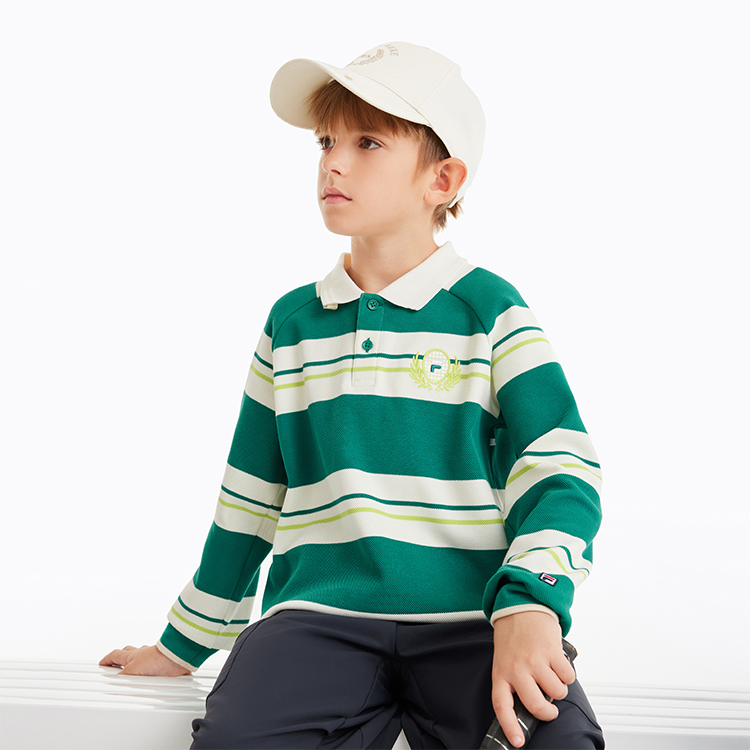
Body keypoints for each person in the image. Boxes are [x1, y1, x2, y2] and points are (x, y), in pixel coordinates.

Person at [101, 42, 605, 749]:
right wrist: (182, 645)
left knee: (557, 742)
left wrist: (532, 606)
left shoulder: (490, 311)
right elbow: (250, 499)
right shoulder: (292, 324)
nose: (333, 162)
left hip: (471, 622)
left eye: (367, 142)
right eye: (326, 142)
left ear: (442, 179)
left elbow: (561, 470)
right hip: (317, 624)